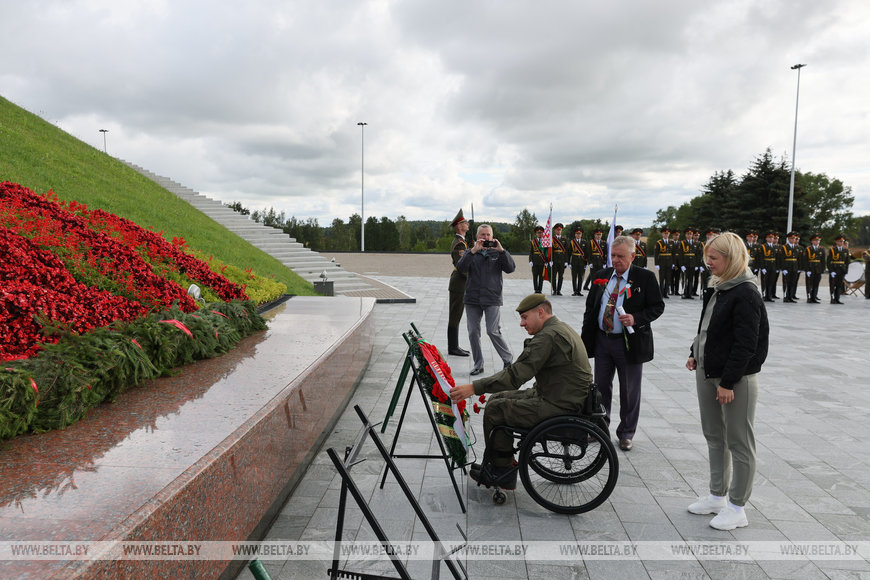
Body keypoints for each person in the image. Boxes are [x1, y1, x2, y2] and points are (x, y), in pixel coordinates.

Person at [449, 294, 592, 489]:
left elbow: (515, 376)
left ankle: (502, 471)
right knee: (497, 398)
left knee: (496, 410)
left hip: (559, 404)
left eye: (525, 317)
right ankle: (500, 461)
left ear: (540, 312)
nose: (522, 323)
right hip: (560, 395)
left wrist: (474, 387)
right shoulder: (559, 327)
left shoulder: (548, 337)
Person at [686, 232, 769, 531]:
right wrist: (694, 352)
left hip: (735, 379)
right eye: (707, 257)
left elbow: (746, 344)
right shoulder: (719, 285)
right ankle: (717, 496)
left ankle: (737, 507)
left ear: (731, 258)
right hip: (708, 371)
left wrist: (729, 382)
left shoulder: (746, 292)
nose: (708, 262)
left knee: (739, 442)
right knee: (714, 435)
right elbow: (708, 327)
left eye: (714, 258)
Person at [581, 235, 665, 451]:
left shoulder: (645, 278)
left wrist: (636, 318)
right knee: (600, 388)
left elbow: (657, 307)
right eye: (613, 256)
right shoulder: (601, 276)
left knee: (629, 390)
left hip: (628, 343)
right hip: (603, 340)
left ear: (633, 256)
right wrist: (585, 339)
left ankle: (626, 432)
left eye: (620, 256)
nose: (616, 260)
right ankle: (599, 428)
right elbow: (591, 308)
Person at [456, 224, 515, 376]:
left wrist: (502, 251)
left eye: (488, 234)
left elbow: (510, 268)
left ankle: (508, 359)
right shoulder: (471, 252)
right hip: (472, 299)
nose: (485, 237)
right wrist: (473, 251)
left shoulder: (497, 253)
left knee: (492, 330)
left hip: (492, 297)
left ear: (492, 237)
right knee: (473, 332)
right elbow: (461, 268)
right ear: (477, 237)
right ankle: (478, 364)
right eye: (482, 234)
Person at [447, 209, 471, 356]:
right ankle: (453, 347)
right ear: (459, 226)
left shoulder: (463, 242)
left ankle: (454, 346)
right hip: (459, 283)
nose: (467, 224)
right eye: (465, 222)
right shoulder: (459, 244)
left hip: (460, 283)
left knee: (457, 315)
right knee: (455, 315)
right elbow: (462, 267)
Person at [778, 231, 801, 303]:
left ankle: (790, 297)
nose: (793, 240)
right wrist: (783, 268)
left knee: (792, 282)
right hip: (787, 267)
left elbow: (799, 259)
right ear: (788, 239)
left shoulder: (797, 247)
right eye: (792, 238)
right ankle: (785, 296)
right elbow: (781, 259)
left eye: (794, 238)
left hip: (794, 267)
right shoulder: (784, 247)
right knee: (786, 282)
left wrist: (799, 268)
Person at [802, 233, 825, 303]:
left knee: (816, 284)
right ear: (812, 241)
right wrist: (807, 270)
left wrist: (822, 270)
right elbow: (805, 260)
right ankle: (809, 298)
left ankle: (814, 297)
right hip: (810, 268)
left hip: (818, 269)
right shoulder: (808, 249)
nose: (817, 242)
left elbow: (823, 261)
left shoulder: (821, 249)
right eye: (815, 240)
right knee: (809, 284)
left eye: (818, 240)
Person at [827, 234, 850, 304]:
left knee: (839, 285)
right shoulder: (832, 250)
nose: (842, 242)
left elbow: (847, 262)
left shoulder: (846, 250)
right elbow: (828, 261)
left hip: (841, 270)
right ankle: (832, 299)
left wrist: (846, 271)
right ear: (836, 242)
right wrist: (831, 271)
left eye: (842, 241)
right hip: (834, 269)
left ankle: (837, 299)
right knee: (832, 285)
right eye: (840, 241)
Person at [653, 227, 674, 298]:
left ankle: (666, 293)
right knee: (662, 279)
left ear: (669, 234)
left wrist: (673, 263)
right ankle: (661, 293)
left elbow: (673, 253)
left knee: (668, 279)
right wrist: (656, 264)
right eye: (665, 233)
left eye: (667, 233)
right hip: (661, 262)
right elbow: (656, 254)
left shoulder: (671, 242)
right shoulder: (659, 242)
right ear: (662, 234)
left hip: (669, 262)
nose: (666, 235)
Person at [569, 226, 588, 296]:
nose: (578, 235)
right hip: (574, 261)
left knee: (580, 277)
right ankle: (575, 291)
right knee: (574, 277)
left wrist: (586, 263)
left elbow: (586, 253)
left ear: (581, 234)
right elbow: (569, 252)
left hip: (582, 262)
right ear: (575, 234)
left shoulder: (584, 242)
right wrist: (569, 263)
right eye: (577, 234)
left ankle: (579, 291)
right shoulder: (572, 242)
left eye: (579, 234)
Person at [550, 223, 568, 295]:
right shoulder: (552, 239)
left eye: (560, 230)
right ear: (555, 230)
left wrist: (566, 261)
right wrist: (550, 260)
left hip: (562, 260)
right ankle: (554, 290)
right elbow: (550, 251)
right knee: (553, 276)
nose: (559, 231)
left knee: (561, 276)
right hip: (554, 260)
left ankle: (559, 290)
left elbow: (566, 251)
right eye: (557, 230)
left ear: (561, 230)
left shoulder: (564, 240)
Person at [529, 225, 547, 294]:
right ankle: (536, 289)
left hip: (542, 261)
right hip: (535, 261)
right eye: (538, 233)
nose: (539, 234)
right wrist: (530, 260)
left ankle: (540, 289)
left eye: (541, 233)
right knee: (535, 276)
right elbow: (531, 252)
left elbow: (546, 252)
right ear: (536, 234)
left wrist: (547, 261)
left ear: (543, 233)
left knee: (541, 276)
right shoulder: (533, 241)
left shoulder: (545, 242)